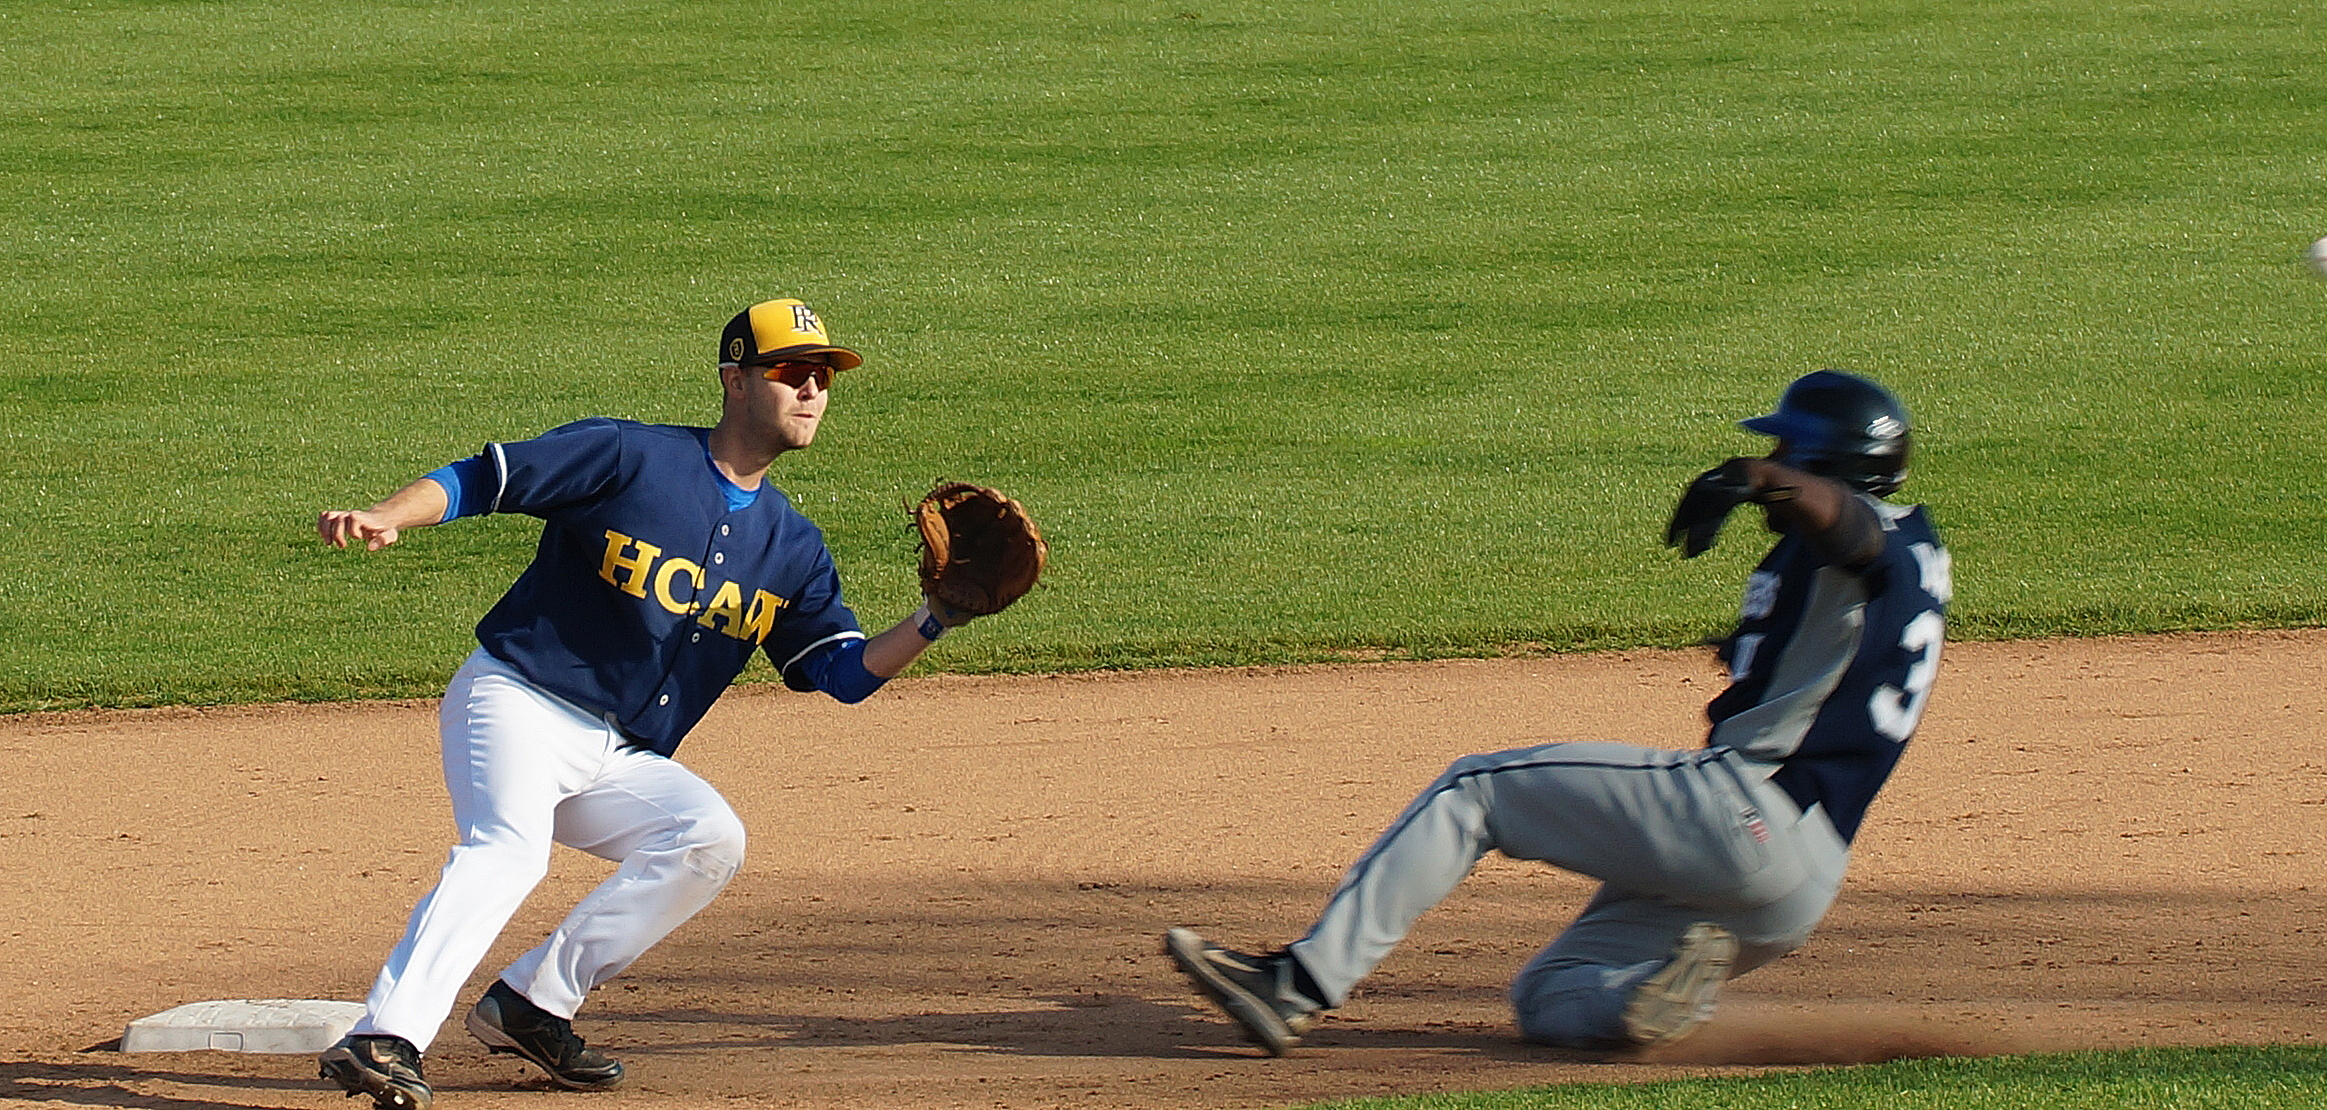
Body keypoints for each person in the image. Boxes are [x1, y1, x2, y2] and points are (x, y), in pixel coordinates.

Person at [313, 300, 1015, 1110]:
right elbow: (486, 477)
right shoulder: (629, 455)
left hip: (618, 756)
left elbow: (842, 672)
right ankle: (384, 1034)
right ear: (734, 381)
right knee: (509, 848)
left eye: (824, 377)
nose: (812, 390)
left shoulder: (793, 546)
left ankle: (533, 1002)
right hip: (517, 702)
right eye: (792, 371)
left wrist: (935, 620)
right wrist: (388, 514)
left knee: (707, 837)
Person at [1164, 369, 1951, 1055]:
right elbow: (1848, 628)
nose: (1774, 456)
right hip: (1796, 889)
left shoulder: (1863, 534)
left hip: (1742, 816)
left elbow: (1848, 525)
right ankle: (1646, 998)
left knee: (1474, 791)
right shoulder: (1920, 552)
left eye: (1786, 447)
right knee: (1548, 993)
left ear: (1821, 459)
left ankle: (1296, 984)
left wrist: (1753, 477)